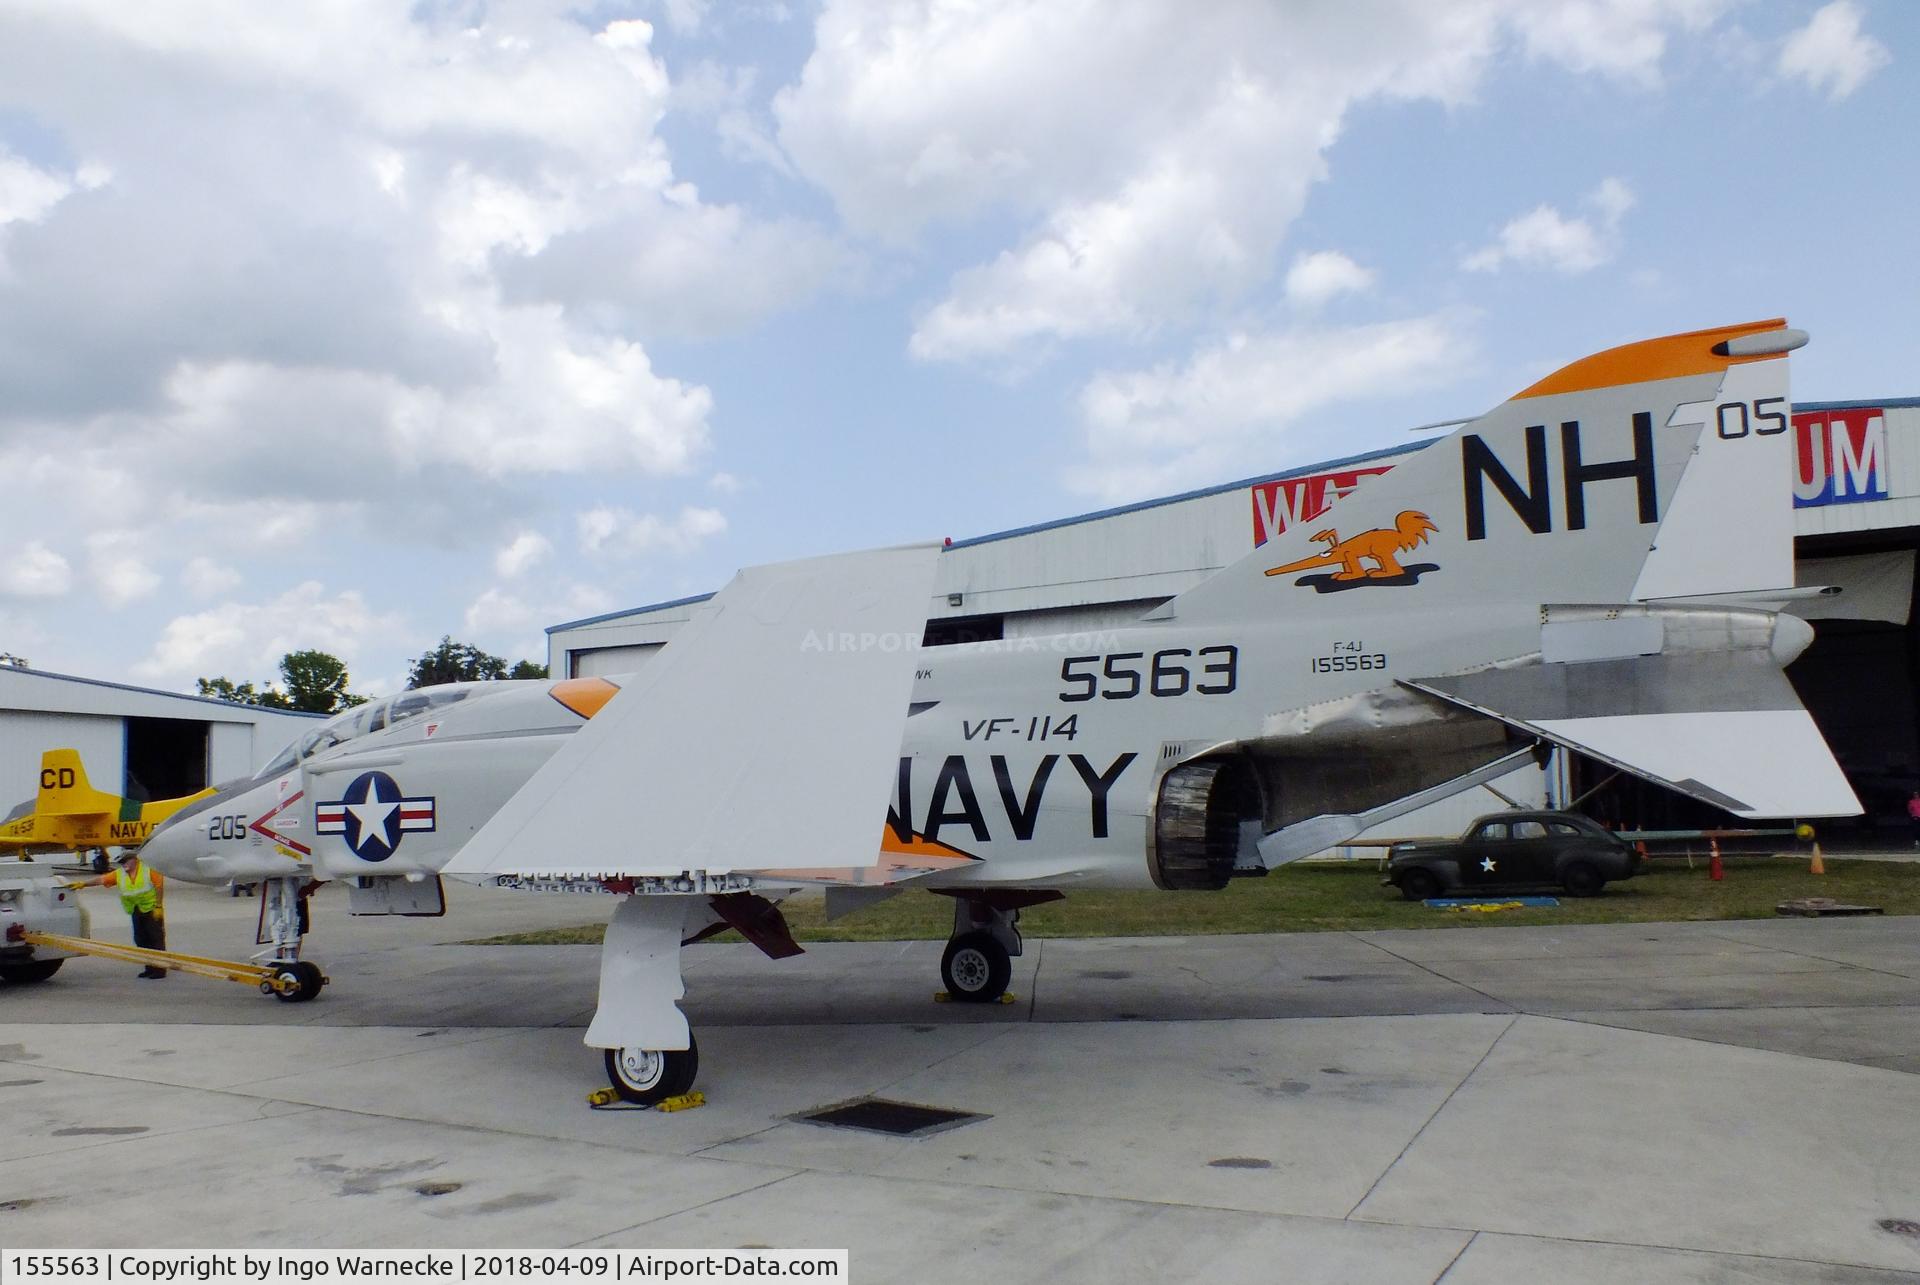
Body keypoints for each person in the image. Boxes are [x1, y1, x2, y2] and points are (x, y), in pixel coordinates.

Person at [70, 849, 167, 978]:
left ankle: (160, 969)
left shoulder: (148, 870)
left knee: (156, 940)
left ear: (134, 860)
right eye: (121, 862)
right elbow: (101, 880)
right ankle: (149, 967)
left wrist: (158, 906)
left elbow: (159, 886)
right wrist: (83, 884)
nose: (123, 864)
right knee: (141, 940)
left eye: (125, 861)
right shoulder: (120, 874)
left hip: (151, 910)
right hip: (135, 910)